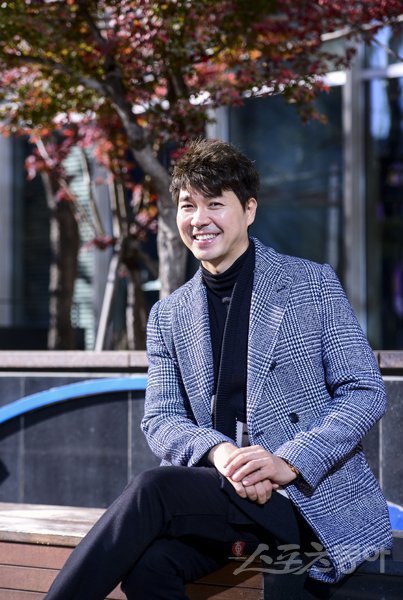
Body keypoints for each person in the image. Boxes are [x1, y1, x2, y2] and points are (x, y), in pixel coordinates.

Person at [45, 139, 392, 599]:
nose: (199, 219)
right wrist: (220, 453)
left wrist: (287, 462)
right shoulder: (169, 315)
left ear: (249, 210)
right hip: (225, 499)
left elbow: (364, 390)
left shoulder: (310, 283)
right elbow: (161, 418)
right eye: (188, 205)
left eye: (215, 204)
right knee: (150, 568)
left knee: (154, 488)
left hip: (307, 505)